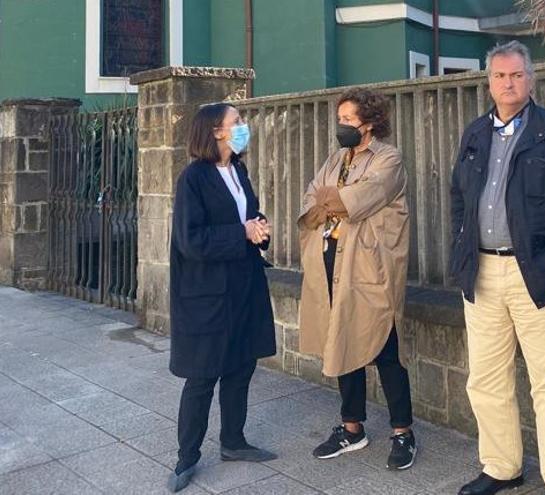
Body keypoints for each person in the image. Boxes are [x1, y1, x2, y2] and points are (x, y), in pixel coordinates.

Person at [449, 41, 545, 495]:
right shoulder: (475, 134)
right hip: (484, 274)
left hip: (543, 274)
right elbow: (458, 198)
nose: (507, 83)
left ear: (530, 79)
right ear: (488, 81)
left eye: (515, 75)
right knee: (486, 380)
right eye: (499, 76)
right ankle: (501, 467)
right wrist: (461, 251)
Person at [298, 87, 415, 470]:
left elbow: (361, 199)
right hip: (332, 259)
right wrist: (335, 201)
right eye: (340, 119)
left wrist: (335, 201)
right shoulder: (336, 160)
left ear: (369, 122)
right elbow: (310, 199)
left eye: (349, 119)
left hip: (369, 267)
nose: (342, 126)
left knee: (385, 346)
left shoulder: (388, 158)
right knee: (341, 339)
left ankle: (403, 432)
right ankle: (352, 428)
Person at [167, 103, 278, 492]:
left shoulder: (238, 170)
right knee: (202, 376)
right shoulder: (193, 178)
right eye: (237, 122)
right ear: (216, 131)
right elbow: (190, 239)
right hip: (208, 292)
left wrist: (259, 225)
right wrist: (242, 233)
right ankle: (186, 458)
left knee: (241, 366)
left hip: (243, 285)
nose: (243, 126)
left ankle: (233, 441)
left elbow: (244, 215)